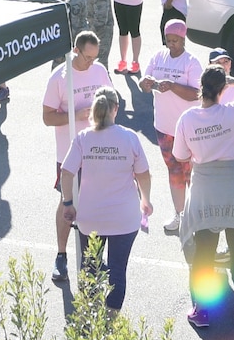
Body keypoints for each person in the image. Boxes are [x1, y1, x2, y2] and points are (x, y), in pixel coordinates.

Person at [173, 62, 234, 328]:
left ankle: (202, 311)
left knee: (204, 249)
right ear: (222, 89)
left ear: (200, 88)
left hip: (205, 186)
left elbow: (180, 156)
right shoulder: (233, 113)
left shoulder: (187, 118)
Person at [58, 87, 152, 311]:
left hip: (91, 219)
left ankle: (91, 317)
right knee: (118, 270)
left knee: (90, 269)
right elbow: (144, 174)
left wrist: (68, 202)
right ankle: (111, 320)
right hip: (125, 219)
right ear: (116, 109)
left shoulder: (83, 138)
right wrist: (146, 200)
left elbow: (66, 172)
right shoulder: (130, 137)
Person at [42, 32, 114, 287]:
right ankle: (61, 256)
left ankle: (95, 257)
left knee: (96, 204)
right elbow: (48, 117)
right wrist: (74, 115)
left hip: (98, 151)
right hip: (70, 153)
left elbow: (111, 101)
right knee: (67, 204)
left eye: (95, 58)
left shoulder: (100, 71)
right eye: (87, 58)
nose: (91, 63)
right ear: (75, 49)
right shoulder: (59, 77)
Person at [138, 18, 202, 233]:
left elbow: (197, 94)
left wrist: (173, 86)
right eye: (168, 40)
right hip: (164, 128)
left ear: (183, 39)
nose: (172, 44)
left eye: (176, 40)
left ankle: (198, 218)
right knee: (174, 172)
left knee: (192, 174)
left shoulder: (191, 62)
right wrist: (145, 83)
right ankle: (180, 215)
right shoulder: (157, 57)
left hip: (188, 130)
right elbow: (143, 83)